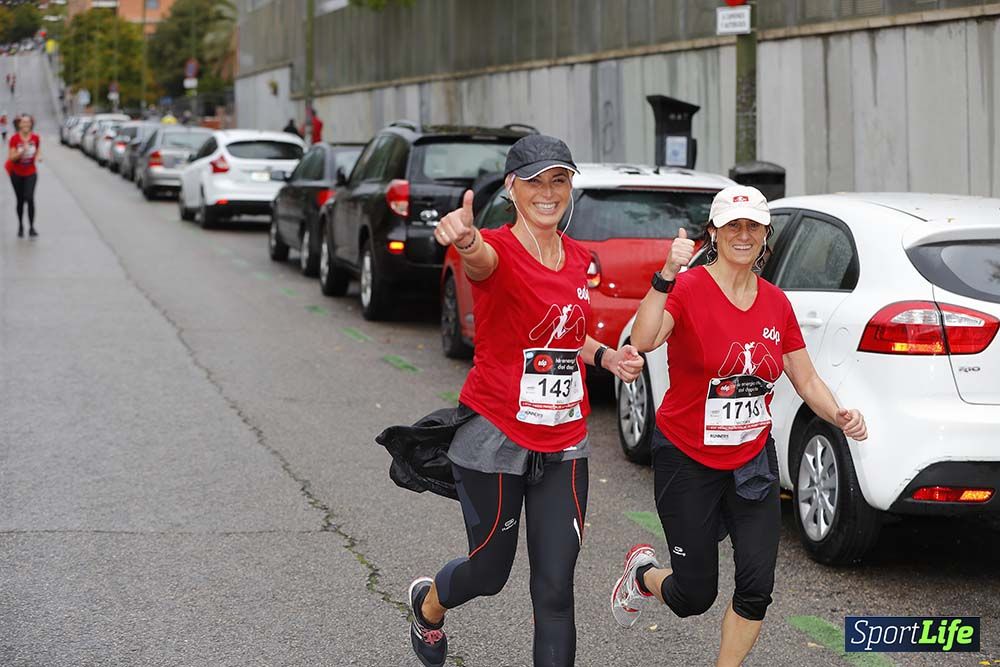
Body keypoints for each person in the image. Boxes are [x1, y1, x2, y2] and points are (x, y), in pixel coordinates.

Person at [406, 134, 644, 667]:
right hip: (496, 436)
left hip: (565, 442)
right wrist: (465, 241)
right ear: (512, 188)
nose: (548, 192)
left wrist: (607, 357)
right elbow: (481, 263)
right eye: (535, 181)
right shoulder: (499, 248)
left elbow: (561, 333)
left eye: (559, 180)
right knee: (489, 573)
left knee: (556, 590)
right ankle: (429, 604)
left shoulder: (579, 257)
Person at [609, 185, 868, 666]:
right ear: (714, 231)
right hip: (687, 457)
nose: (743, 235)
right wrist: (666, 275)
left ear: (766, 235)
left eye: (753, 227)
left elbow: (805, 375)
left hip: (751, 460)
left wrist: (838, 414)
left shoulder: (775, 303)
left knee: (755, 586)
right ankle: (644, 573)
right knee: (694, 596)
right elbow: (643, 339)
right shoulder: (688, 288)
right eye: (733, 226)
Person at [7, 114, 41, 238]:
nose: (26, 124)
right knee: (20, 200)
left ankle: (31, 227)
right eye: (23, 122)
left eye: (28, 122)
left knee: (30, 198)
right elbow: (11, 157)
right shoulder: (14, 139)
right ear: (19, 124)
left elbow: (38, 151)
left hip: (31, 172)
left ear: (31, 124)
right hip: (16, 174)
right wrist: (22, 151)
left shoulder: (36, 138)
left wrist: (39, 156)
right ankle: (21, 225)